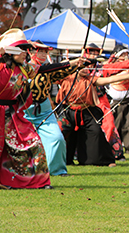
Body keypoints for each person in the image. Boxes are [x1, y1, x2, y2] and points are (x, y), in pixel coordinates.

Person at [0, 29, 52, 189]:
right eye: (21, 50)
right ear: (11, 52)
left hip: (13, 115)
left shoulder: (24, 69)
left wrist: (72, 64)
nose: (25, 54)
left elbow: (44, 69)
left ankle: (40, 182)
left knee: (34, 143)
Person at [24, 40, 86, 176]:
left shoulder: (48, 69)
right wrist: (73, 63)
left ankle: (56, 170)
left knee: (57, 138)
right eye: (39, 50)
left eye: (45, 51)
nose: (42, 53)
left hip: (44, 109)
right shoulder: (23, 68)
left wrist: (77, 65)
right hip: (23, 110)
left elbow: (61, 72)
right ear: (30, 52)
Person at [57, 66, 129, 166]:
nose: (86, 70)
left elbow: (109, 79)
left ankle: (101, 160)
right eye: (82, 67)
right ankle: (62, 160)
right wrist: (73, 63)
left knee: (96, 132)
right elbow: (55, 71)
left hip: (86, 112)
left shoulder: (90, 79)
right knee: (59, 133)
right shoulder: (65, 78)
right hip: (68, 112)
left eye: (86, 68)